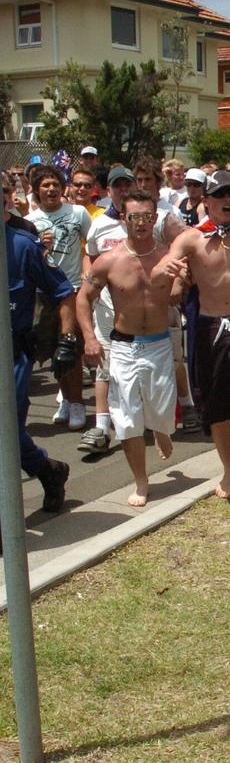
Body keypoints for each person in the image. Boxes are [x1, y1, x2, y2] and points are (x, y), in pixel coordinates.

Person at [152, 171, 230, 498]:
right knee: (215, 404)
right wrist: (169, 271)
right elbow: (161, 273)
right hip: (209, 325)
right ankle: (228, 470)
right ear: (206, 201)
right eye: (219, 195)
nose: (227, 200)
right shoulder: (191, 238)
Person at [76, 191, 179, 507]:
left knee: (163, 411)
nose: (141, 223)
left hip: (159, 344)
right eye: (134, 216)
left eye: (147, 216)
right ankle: (141, 480)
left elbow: (176, 298)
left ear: (155, 218)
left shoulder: (167, 256)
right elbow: (83, 298)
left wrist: (179, 282)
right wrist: (90, 338)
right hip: (123, 347)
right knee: (126, 419)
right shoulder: (110, 260)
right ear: (124, 218)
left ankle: (160, 428)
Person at [3, 171, 77, 522]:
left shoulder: (22, 245)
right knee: (10, 438)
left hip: (12, 356)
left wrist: (67, 340)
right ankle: (48, 469)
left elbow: (63, 292)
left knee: (6, 433)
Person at [27, 164, 92, 430]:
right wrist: (40, 249)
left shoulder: (78, 213)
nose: (51, 189)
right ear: (36, 191)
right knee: (54, 349)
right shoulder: (30, 222)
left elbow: (92, 247)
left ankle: (77, 402)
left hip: (74, 289)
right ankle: (65, 397)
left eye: (55, 184)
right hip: (45, 293)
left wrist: (88, 277)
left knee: (72, 347)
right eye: (45, 185)